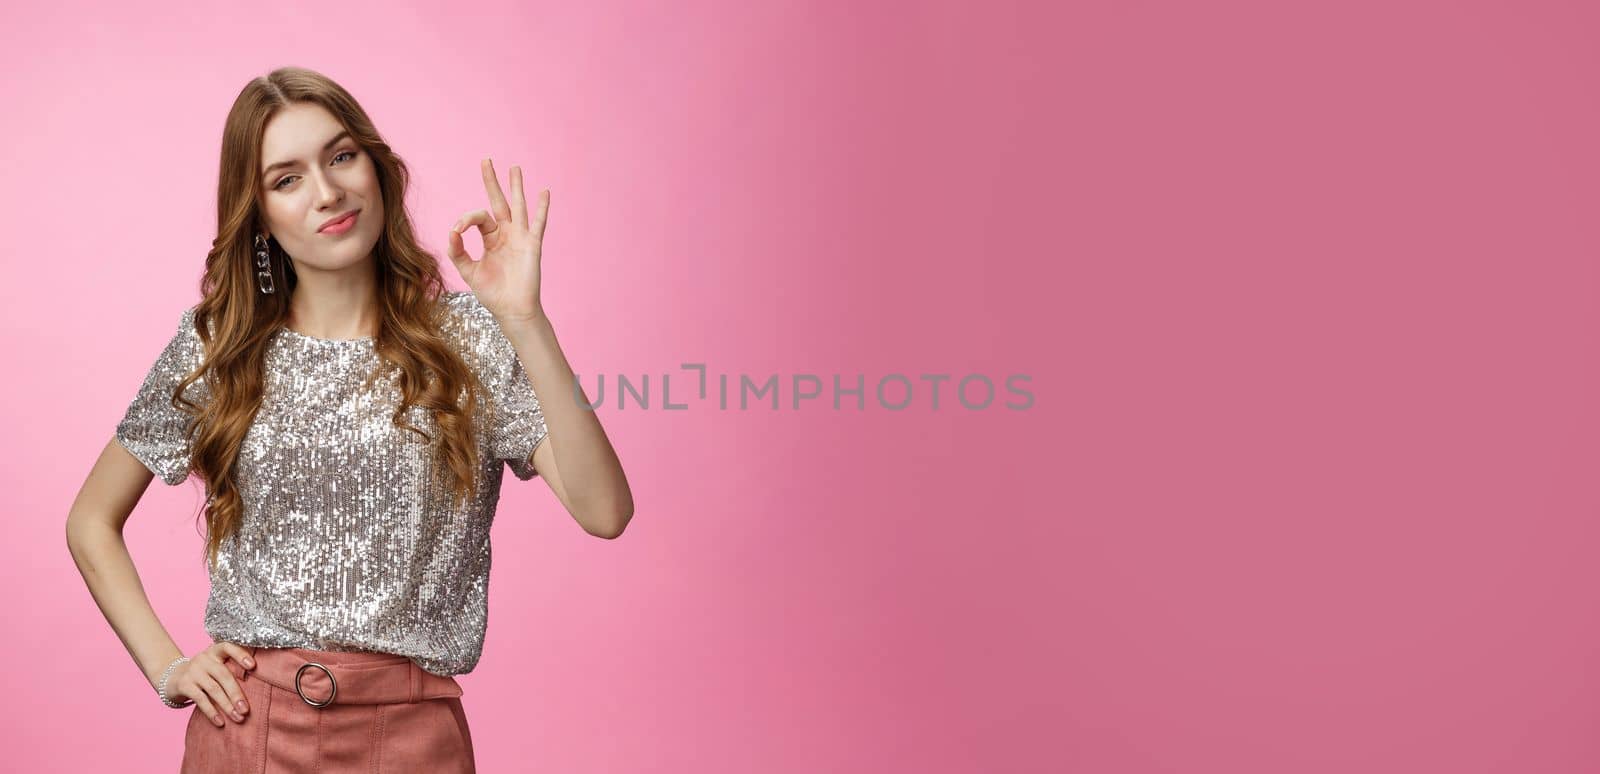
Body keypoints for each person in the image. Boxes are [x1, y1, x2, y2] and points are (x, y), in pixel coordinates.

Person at [64, 66, 634, 772]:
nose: (328, 192)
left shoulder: (471, 339)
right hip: (247, 731)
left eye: (340, 156)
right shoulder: (223, 347)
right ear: (259, 214)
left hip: (413, 737)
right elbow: (90, 520)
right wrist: (167, 666)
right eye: (287, 178)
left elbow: (604, 509)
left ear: (375, 168)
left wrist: (525, 320)